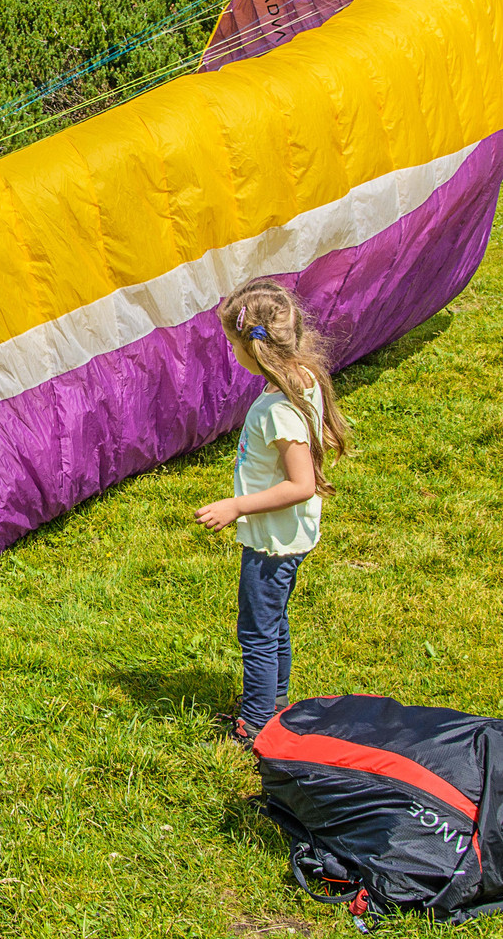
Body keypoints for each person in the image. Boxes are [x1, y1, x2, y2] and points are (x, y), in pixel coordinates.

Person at [194, 278, 349, 749]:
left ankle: (257, 727)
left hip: (272, 538)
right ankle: (274, 704)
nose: (231, 354)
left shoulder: (281, 407)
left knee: (257, 630)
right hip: (288, 534)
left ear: (254, 347)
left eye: (232, 345)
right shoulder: (301, 377)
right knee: (273, 619)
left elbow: (301, 484)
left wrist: (236, 506)